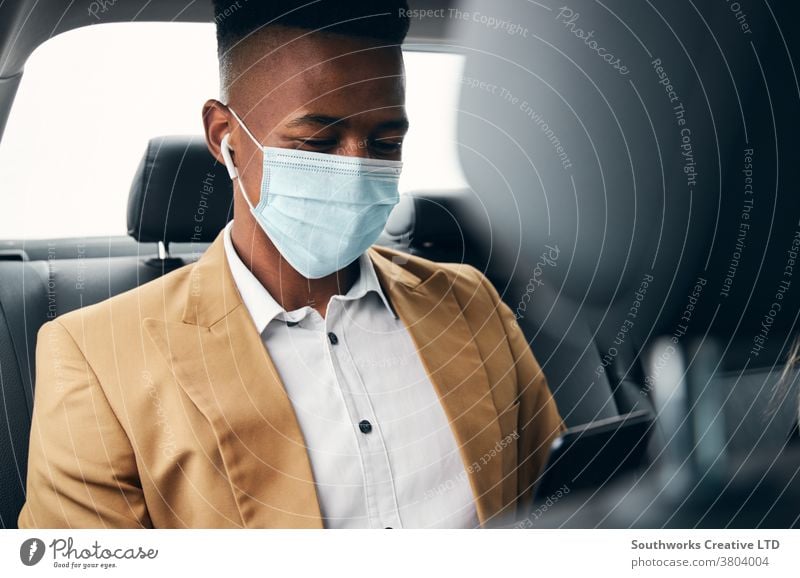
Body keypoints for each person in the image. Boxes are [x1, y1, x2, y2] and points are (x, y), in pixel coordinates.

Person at [17, 0, 564, 529]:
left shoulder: (470, 302)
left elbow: (564, 507)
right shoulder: (95, 359)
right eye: (316, 142)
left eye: (386, 142)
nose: (356, 169)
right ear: (223, 137)